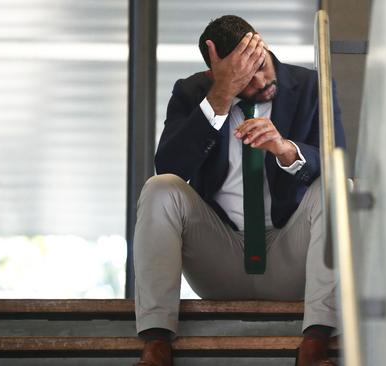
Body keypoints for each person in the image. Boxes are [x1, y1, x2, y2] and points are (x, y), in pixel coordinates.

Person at [132, 15, 346, 366]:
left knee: (338, 185)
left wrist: (287, 150)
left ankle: (315, 341)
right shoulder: (192, 93)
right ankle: (156, 342)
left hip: (291, 255)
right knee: (160, 188)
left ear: (261, 43)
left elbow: (339, 162)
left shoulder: (312, 86)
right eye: (244, 78)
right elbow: (171, 167)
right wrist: (219, 98)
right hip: (220, 256)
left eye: (261, 63)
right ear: (216, 74)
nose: (262, 81)